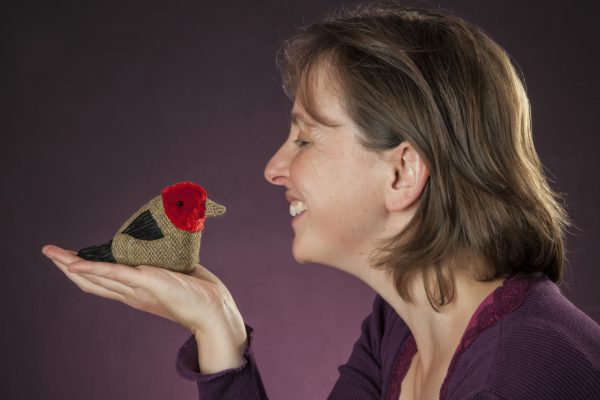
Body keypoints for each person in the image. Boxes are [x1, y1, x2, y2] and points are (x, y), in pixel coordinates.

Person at [42, 2, 600, 399]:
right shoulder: (400, 327)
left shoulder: (519, 376)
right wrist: (218, 329)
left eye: (306, 137)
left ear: (402, 171)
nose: (273, 168)